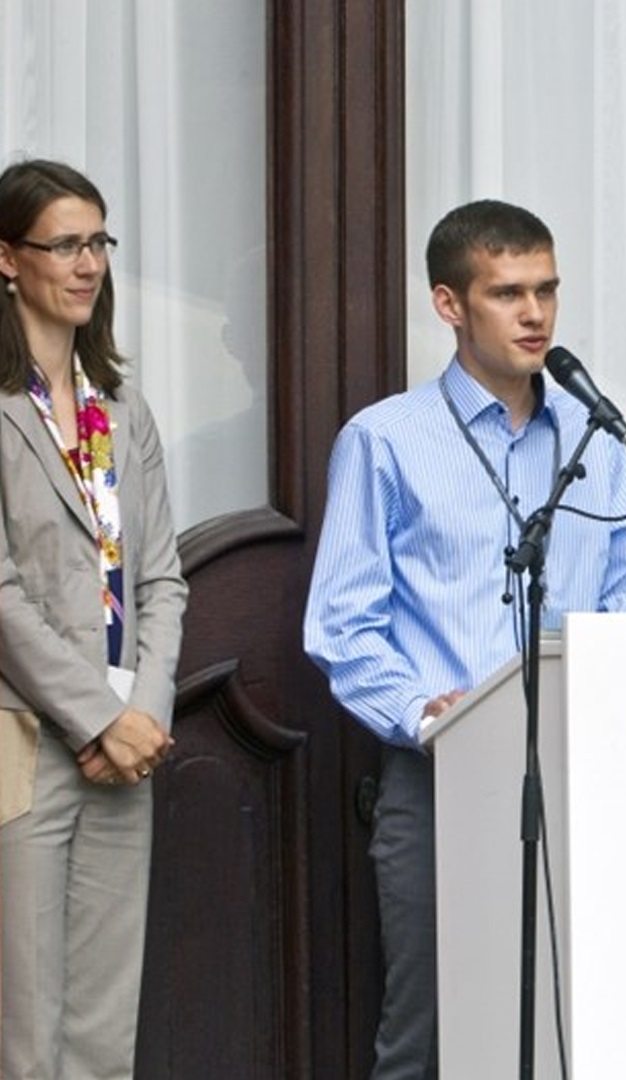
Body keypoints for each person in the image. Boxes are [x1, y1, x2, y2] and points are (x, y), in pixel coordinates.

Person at [304, 199, 626, 1080]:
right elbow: (343, 623)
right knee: (429, 1034)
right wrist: (422, 711)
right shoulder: (384, 441)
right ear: (449, 304)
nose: (535, 314)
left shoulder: (599, 442)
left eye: (547, 290)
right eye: (508, 293)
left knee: (578, 1023)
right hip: (438, 778)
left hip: (579, 773)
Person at [0, 159, 188, 1080]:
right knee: (27, 1030)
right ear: (8, 258)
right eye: (65, 245)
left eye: (99, 243)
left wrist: (142, 716)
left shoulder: (119, 407)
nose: (88, 265)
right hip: (29, 742)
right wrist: (98, 717)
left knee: (105, 1032)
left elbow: (162, 580)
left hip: (125, 749)